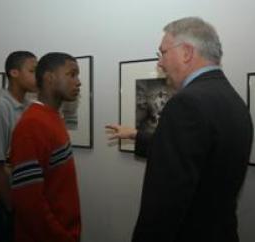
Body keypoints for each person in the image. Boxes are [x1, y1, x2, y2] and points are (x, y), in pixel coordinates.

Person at [108, 17, 253, 242]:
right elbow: (198, 155)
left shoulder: (186, 103)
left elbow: (164, 203)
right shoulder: (233, 100)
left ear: (186, 52)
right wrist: (137, 135)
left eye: (162, 53)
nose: (160, 64)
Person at [10, 52, 82, 242]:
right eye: (71, 74)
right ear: (50, 78)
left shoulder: (52, 117)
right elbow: (29, 202)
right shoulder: (31, 125)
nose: (78, 82)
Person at [0, 51, 37, 242]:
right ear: (14, 73)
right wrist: (12, 208)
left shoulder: (30, 107)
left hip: (26, 198)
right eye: (32, 71)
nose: (37, 76)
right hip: (6, 203)